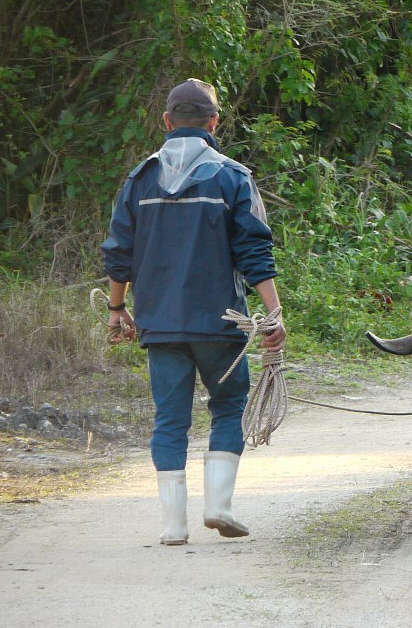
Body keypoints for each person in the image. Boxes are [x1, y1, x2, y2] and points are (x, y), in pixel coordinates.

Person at [101, 79, 288, 546]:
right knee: (228, 407)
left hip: (160, 325)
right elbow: (255, 253)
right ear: (214, 123)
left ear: (166, 122)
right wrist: (274, 314)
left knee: (170, 418)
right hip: (221, 326)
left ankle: (173, 527)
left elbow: (118, 252)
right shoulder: (232, 177)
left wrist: (116, 308)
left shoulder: (138, 180)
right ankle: (219, 507)